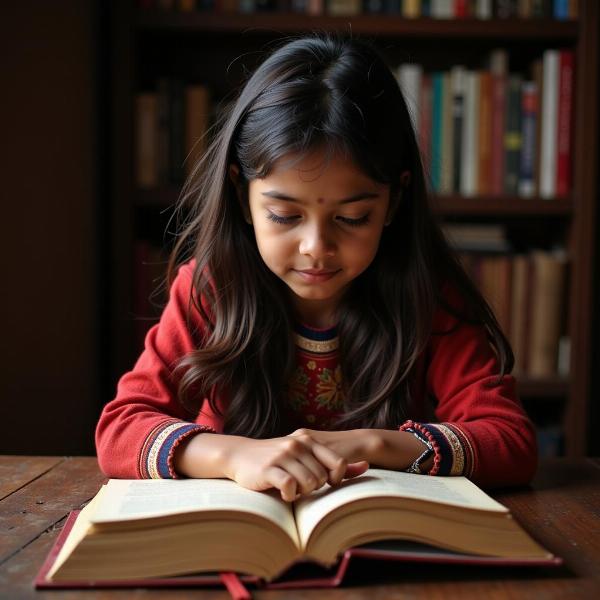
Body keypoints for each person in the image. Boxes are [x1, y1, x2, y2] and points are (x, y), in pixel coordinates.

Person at [96, 33, 537, 501]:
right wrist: (233, 456)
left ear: (394, 201)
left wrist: (370, 444)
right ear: (242, 196)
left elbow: (510, 441)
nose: (315, 247)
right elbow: (120, 431)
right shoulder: (212, 289)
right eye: (284, 216)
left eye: (352, 218)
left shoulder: (428, 297)